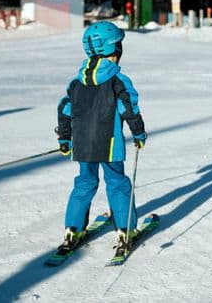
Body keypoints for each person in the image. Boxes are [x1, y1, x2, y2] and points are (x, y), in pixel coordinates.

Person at [55, 21, 147, 253]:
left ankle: (72, 230)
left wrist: (65, 140)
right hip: (110, 145)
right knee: (117, 183)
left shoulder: (76, 82)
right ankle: (126, 230)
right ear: (115, 50)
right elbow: (129, 108)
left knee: (85, 182)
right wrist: (139, 133)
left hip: (83, 145)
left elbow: (64, 110)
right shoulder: (118, 81)